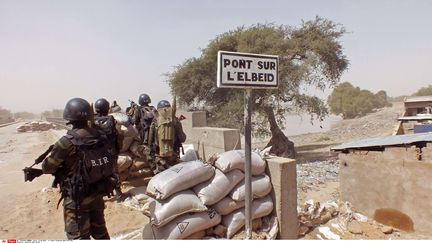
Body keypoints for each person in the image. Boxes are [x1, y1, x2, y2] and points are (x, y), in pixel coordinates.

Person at [42, 98, 116, 239]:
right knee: (101, 234)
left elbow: (47, 168)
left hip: (76, 200)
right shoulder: (101, 136)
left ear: (69, 117)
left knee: (78, 237)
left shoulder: (66, 142)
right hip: (98, 194)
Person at [94, 98, 126, 202]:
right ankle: (119, 194)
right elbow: (118, 135)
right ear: (107, 109)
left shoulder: (91, 121)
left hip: (96, 153)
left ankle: (97, 196)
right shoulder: (112, 120)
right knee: (114, 172)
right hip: (111, 152)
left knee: (96, 174)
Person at [148, 100, 186, 174]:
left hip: (160, 159)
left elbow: (150, 142)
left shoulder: (155, 122)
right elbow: (183, 138)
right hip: (174, 157)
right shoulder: (176, 121)